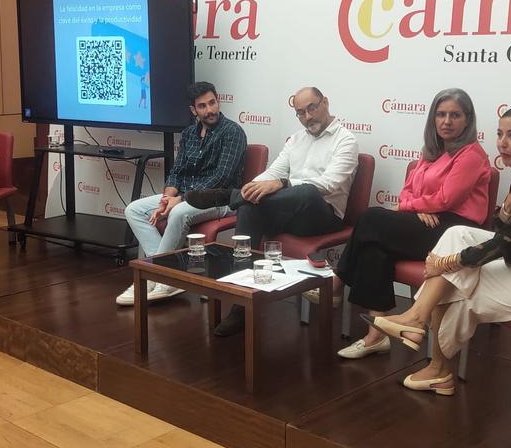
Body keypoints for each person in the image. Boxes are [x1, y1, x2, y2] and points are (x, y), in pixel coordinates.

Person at [366, 105, 511, 395]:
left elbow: (506, 242)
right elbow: (506, 230)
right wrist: (504, 211)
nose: (502, 142)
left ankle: (436, 363)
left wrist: (448, 262)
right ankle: (418, 320)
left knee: (460, 289)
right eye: (500, 134)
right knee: (456, 233)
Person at [329, 88, 491, 360]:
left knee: (371, 218)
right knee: (374, 246)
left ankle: (337, 280)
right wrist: (415, 206)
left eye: (455, 115)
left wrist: (411, 206)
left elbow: (447, 198)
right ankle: (376, 335)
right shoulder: (431, 152)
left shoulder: (472, 154)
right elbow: (407, 191)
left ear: (468, 120)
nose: (447, 121)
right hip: (426, 221)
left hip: (455, 231)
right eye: (441, 114)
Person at [186, 87, 359, 336]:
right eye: (301, 113)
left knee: (307, 191)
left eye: (312, 108)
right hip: (288, 212)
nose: (308, 116)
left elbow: (329, 184)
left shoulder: (346, 140)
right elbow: (273, 173)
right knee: (249, 208)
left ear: (325, 103)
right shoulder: (296, 139)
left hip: (323, 216)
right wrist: (252, 188)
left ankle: (228, 196)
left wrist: (282, 184)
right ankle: (241, 305)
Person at [117, 81, 247, 306]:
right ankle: (167, 275)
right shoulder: (188, 134)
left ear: (219, 100)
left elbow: (222, 178)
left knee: (177, 213)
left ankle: (156, 277)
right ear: (193, 110)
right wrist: (167, 198)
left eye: (212, 103)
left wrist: (179, 201)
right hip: (184, 197)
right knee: (134, 210)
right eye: (202, 106)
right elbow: (177, 171)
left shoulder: (233, 132)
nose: (209, 110)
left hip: (219, 199)